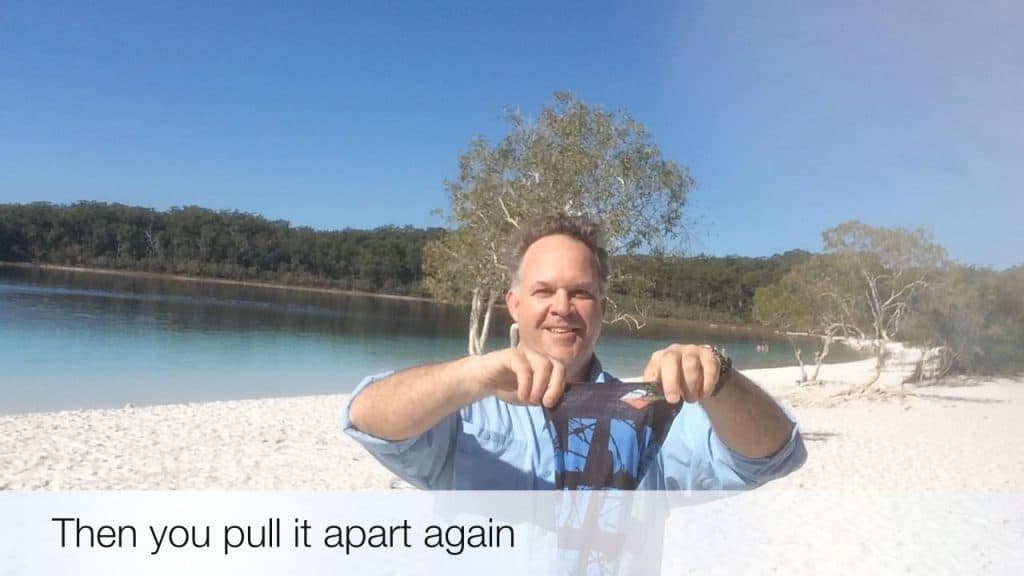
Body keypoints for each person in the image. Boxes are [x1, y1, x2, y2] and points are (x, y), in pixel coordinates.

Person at [342, 214, 805, 489]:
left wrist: (718, 378)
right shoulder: (469, 413)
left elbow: (773, 455)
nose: (562, 308)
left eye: (579, 293)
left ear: (602, 309)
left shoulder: (649, 414)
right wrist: (472, 375)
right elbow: (367, 419)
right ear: (514, 305)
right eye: (544, 291)